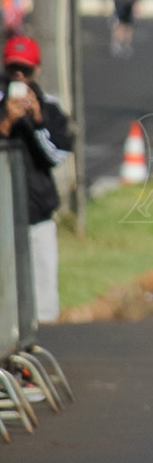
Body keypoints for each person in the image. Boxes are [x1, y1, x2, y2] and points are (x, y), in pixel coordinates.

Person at [0, 35, 72, 323]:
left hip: (38, 215)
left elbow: (56, 156)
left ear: (37, 71)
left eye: (25, 71)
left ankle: (35, 358)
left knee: (43, 304)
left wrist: (37, 122)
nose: (20, 77)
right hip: (4, 219)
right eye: (13, 70)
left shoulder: (50, 108)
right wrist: (6, 122)